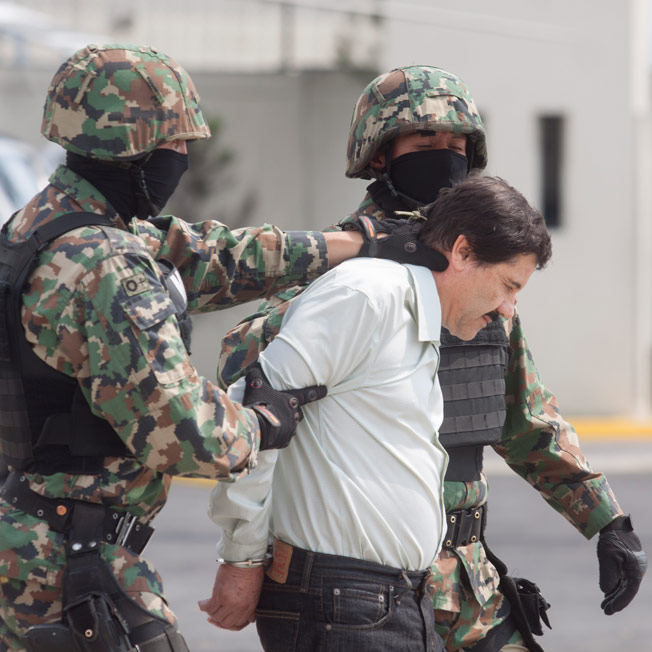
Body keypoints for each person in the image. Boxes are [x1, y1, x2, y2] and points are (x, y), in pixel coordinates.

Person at [0, 46, 448, 652]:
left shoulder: (53, 223)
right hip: (68, 563)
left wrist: (355, 243)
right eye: (174, 145)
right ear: (134, 147)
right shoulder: (105, 264)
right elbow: (185, 434)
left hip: (30, 539)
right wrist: (265, 421)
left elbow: (210, 259)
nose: (183, 159)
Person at [214, 65, 647, 652]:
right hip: (365, 578)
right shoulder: (345, 262)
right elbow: (250, 371)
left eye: (456, 146)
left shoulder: (480, 269)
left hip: (466, 574)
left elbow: (524, 415)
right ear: (379, 154)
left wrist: (606, 521)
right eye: (424, 144)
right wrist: (370, 261)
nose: (443, 158)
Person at [200, 176, 553, 652]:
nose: (508, 310)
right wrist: (240, 561)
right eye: (509, 286)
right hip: (341, 603)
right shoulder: (367, 297)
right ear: (464, 252)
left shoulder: (419, 318)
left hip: (386, 600)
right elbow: (262, 411)